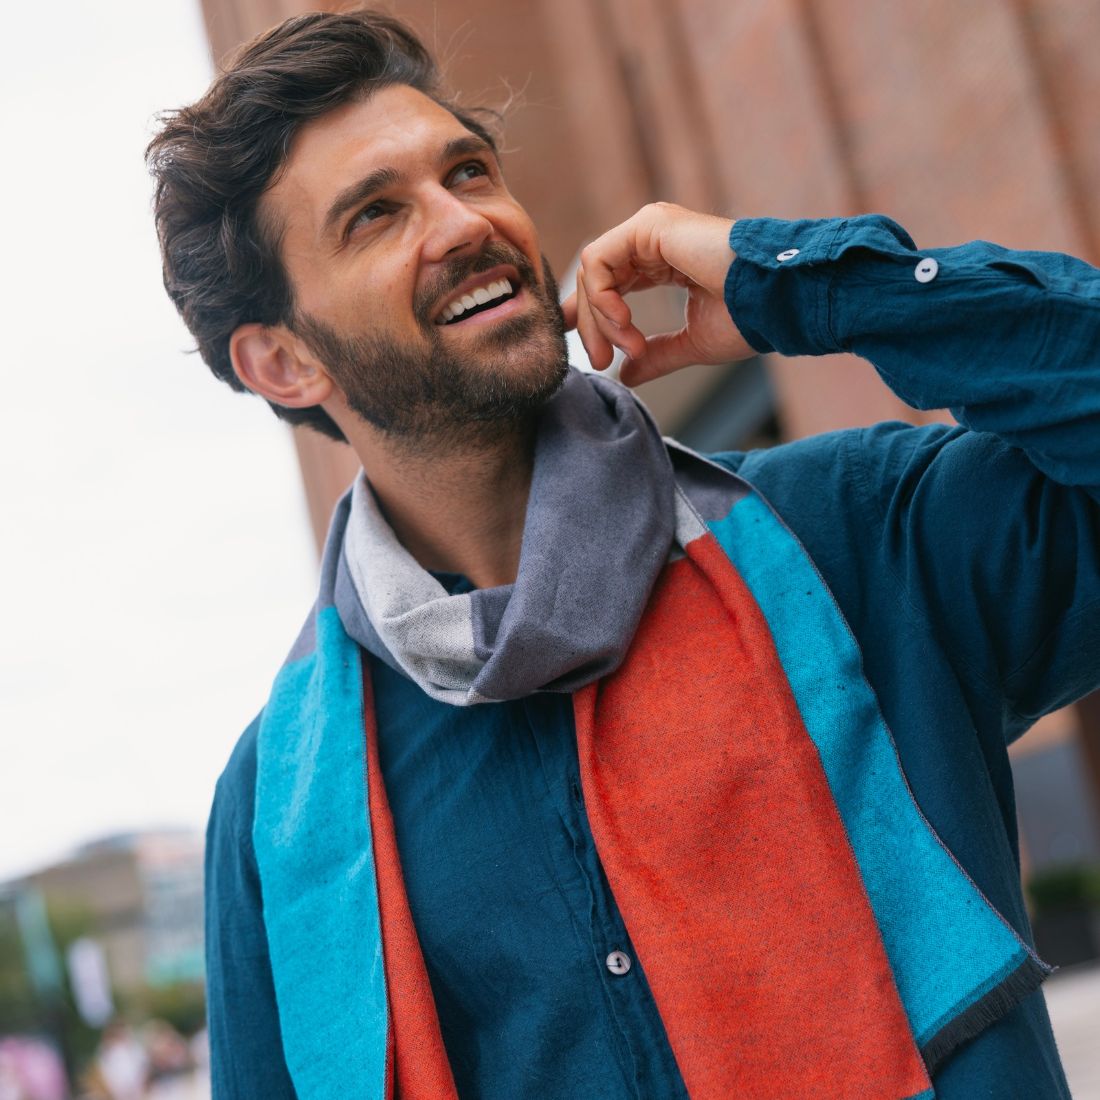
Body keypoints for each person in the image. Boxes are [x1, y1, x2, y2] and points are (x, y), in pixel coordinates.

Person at [146, 9, 1099, 1099]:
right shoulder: (276, 809)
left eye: (468, 170)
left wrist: (802, 282)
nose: (463, 222)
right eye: (376, 214)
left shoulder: (850, 538)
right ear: (281, 360)